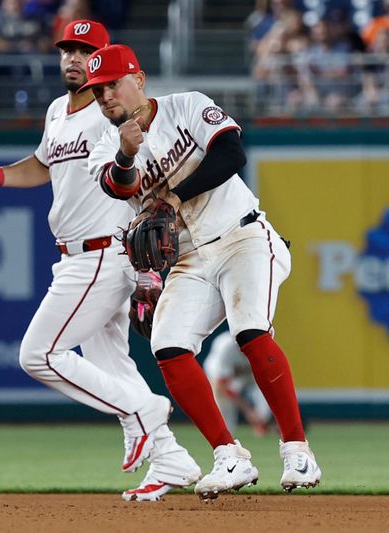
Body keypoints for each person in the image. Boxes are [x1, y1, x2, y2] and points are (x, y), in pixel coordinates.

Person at [0, 20, 201, 502]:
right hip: (74, 256)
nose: (73, 58)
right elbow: (42, 165)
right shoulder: (58, 113)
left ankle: (145, 412)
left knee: (38, 355)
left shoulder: (112, 116)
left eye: (85, 51)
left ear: (105, 59)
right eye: (68, 49)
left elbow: (138, 163)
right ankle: (172, 459)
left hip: (104, 252)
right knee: (113, 368)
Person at [82, 43, 322, 500]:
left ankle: (297, 449)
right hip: (190, 260)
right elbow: (119, 187)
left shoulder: (187, 105)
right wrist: (127, 154)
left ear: (140, 79)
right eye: (96, 90)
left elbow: (231, 153)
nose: (105, 95)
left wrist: (173, 197)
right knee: (168, 348)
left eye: (113, 83)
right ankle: (229, 456)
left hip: (243, 237)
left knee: (250, 331)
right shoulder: (105, 146)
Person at [203, 331, 273, 437]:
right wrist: (248, 410)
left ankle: (264, 425)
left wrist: (258, 416)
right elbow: (222, 387)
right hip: (219, 376)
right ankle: (225, 438)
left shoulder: (262, 344)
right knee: (224, 405)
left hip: (248, 376)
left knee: (265, 401)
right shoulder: (226, 347)